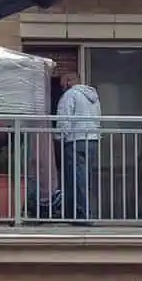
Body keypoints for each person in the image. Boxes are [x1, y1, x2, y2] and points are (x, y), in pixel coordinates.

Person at [55, 69, 102, 220]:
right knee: (86, 178)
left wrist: (58, 137)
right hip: (92, 140)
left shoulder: (69, 95)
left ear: (69, 81)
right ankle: (83, 211)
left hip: (76, 140)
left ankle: (82, 214)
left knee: (75, 178)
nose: (61, 87)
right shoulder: (93, 97)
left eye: (62, 83)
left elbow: (64, 120)